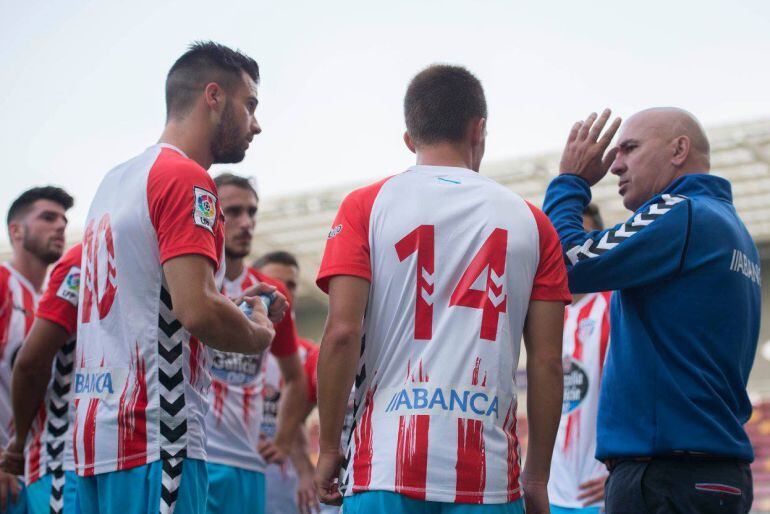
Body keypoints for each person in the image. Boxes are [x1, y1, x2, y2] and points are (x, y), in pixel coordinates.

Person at [314, 64, 571, 514]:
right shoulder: (533, 223)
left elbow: (340, 333)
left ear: (410, 138)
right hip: (489, 478)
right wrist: (537, 478)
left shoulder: (365, 205)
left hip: (385, 467)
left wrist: (330, 449)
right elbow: (548, 363)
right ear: (480, 129)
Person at [73, 41, 285, 514]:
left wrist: (226, 302)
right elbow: (196, 311)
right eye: (250, 105)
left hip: (91, 443)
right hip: (155, 437)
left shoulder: (114, 181)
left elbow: (153, 299)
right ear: (214, 96)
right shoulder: (187, 178)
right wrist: (256, 333)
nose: (256, 124)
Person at [543, 107, 758, 514]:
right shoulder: (731, 228)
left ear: (679, 149)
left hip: (667, 478)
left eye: (630, 148)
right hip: (708, 473)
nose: (615, 165)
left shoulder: (681, 212)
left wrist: (569, 181)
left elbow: (568, 260)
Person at [205, 174, 307, 514]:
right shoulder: (190, 282)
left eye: (251, 212)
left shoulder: (270, 291)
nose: (246, 223)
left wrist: (282, 440)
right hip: (193, 452)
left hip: (248, 461)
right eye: (232, 212)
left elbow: (296, 377)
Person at [0, 186, 73, 514]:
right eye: (48, 217)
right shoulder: (3, 283)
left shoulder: (56, 298)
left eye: (64, 218)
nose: (60, 225)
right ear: (16, 230)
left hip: (42, 468)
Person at [548, 205, 610, 514]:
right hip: (552, 491)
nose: (572, 250)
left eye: (581, 240)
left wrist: (621, 472)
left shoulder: (616, 304)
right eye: (564, 242)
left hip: (599, 494)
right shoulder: (548, 316)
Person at [255, 250, 322, 514]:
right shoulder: (226, 346)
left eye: (290, 285)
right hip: (230, 480)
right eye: (273, 285)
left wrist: (307, 469)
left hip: (287, 493)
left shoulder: (308, 356)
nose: (283, 293)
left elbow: (300, 422)